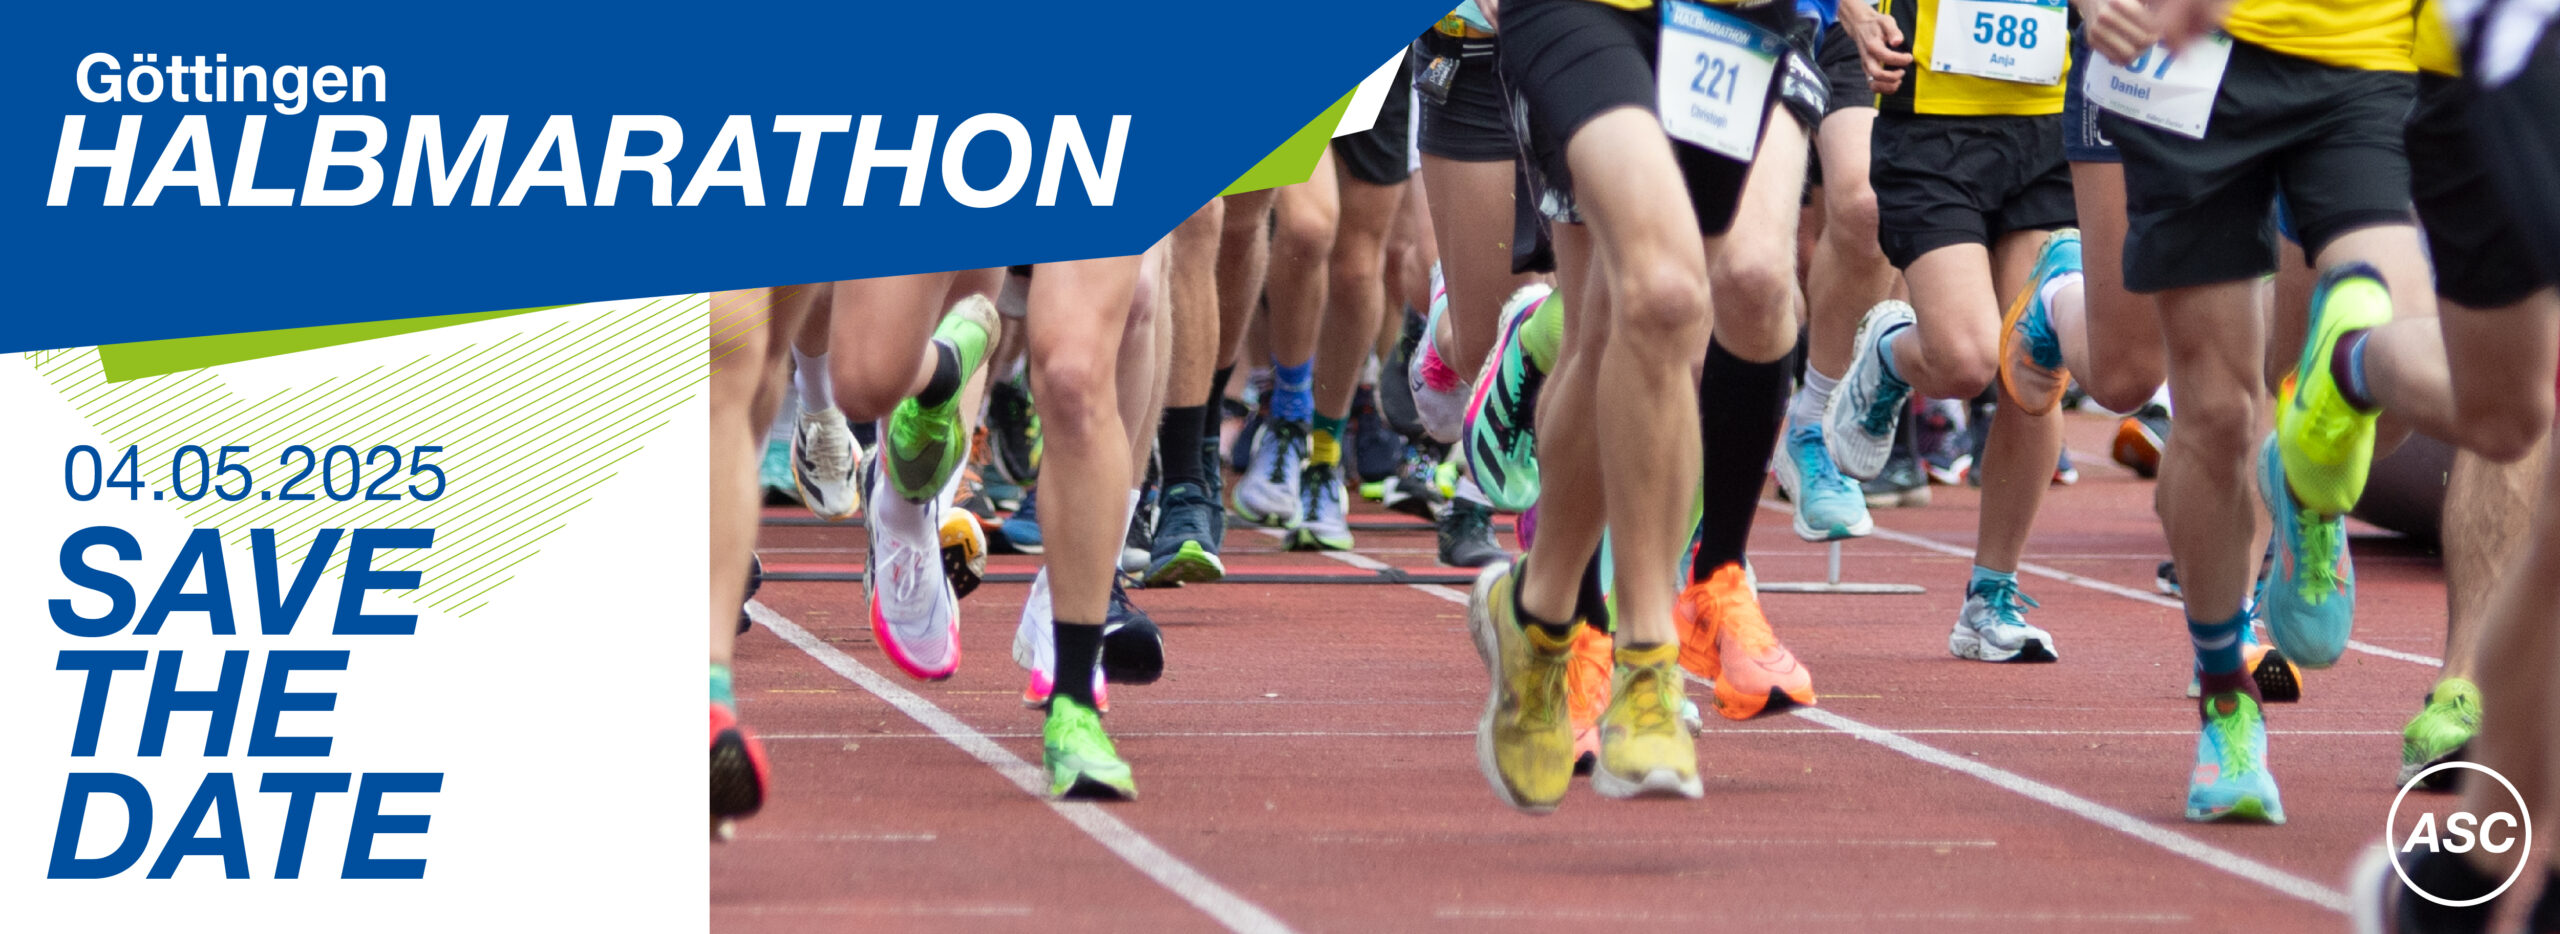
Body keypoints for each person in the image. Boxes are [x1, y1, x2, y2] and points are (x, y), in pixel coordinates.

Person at [1469, 0, 1825, 810]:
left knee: (1626, 327)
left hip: (1730, 20)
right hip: (1579, 13)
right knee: (1664, 296)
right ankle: (1645, 662)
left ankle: (1538, 609)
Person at [1833, 0, 2082, 663]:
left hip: (2051, 122)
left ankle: (1990, 597)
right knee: (1965, 360)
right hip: (1931, 126)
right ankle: (1891, 354)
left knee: (2037, 357)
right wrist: (1853, 12)